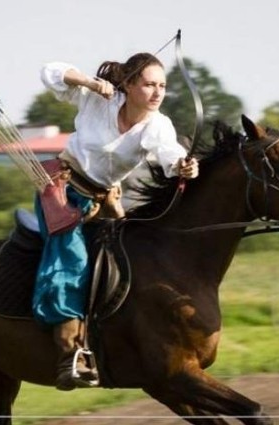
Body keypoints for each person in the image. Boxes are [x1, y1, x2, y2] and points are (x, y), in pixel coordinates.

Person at [34, 53, 199, 391]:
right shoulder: (99, 99)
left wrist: (184, 166)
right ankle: (70, 355)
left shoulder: (158, 125)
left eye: (162, 86)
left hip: (104, 200)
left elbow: (170, 154)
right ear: (128, 84)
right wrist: (89, 82)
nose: (157, 92)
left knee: (137, 260)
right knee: (72, 259)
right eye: (149, 84)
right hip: (63, 190)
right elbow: (49, 72)